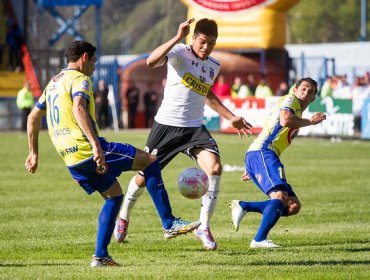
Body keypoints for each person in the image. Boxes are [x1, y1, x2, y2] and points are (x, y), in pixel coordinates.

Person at [25, 40, 200, 267]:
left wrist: (33, 153)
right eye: (95, 61)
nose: (95, 68)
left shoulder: (53, 83)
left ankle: (100, 256)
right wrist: (96, 146)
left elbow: (32, 118)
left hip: (70, 158)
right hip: (88, 149)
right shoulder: (80, 79)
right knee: (149, 162)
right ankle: (169, 223)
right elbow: (79, 108)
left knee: (114, 195)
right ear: (84, 57)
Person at [114, 18, 252, 251]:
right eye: (202, 42)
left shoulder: (213, 66)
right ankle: (124, 216)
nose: (206, 47)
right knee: (141, 177)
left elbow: (206, 94)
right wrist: (177, 37)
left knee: (215, 168)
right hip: (166, 127)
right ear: (193, 38)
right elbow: (150, 61)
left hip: (194, 129)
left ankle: (204, 227)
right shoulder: (179, 52)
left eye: (212, 43)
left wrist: (230, 117)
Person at [230, 77, 326, 248]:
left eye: (310, 92)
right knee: (280, 198)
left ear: (313, 99)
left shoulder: (298, 112)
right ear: (295, 90)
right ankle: (259, 240)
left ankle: (243, 206)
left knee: (293, 205)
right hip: (263, 152)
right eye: (303, 89)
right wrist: (311, 122)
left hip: (262, 155)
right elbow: (285, 120)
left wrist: (253, 166)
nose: (306, 93)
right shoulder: (291, 100)